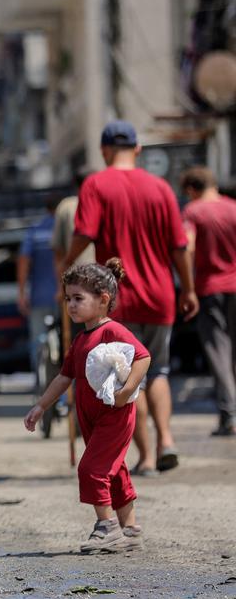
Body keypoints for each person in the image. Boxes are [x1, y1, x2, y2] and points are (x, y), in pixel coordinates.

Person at [62, 120, 198, 476]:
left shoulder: (96, 184)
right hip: (160, 297)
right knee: (159, 371)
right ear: (138, 149)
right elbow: (179, 246)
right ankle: (167, 439)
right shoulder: (161, 188)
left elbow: (85, 232)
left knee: (124, 378)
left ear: (104, 150)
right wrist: (189, 288)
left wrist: (66, 261)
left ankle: (148, 457)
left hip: (115, 300)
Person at [25, 259, 150, 553]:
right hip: (91, 419)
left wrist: (128, 389)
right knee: (114, 471)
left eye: (78, 298)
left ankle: (106, 528)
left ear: (103, 299)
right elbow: (64, 377)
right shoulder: (81, 339)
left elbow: (143, 357)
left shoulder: (111, 331)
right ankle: (130, 530)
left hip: (115, 416)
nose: (70, 305)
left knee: (91, 469)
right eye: (68, 298)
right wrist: (41, 406)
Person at [181, 166, 236, 436]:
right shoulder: (233, 208)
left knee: (219, 351)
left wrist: (187, 287)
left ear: (191, 190)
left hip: (210, 289)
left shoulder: (192, 211)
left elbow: (187, 246)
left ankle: (229, 415)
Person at [18, 196, 60, 375]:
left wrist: (21, 293)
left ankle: (41, 378)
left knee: (39, 340)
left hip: (38, 297)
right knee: (65, 339)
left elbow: (23, 261)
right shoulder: (67, 229)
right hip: (64, 297)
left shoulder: (35, 231)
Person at [51, 167, 96, 279]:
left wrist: (60, 285)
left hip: (77, 276)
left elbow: (58, 250)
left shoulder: (66, 206)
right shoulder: (105, 202)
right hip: (105, 274)